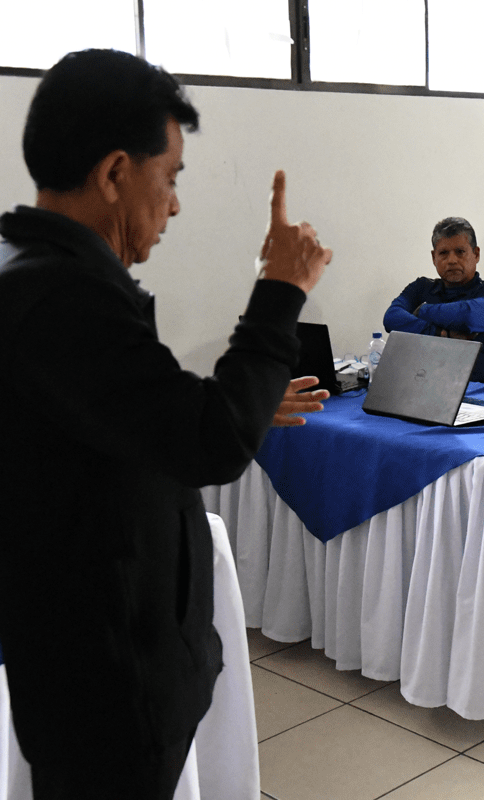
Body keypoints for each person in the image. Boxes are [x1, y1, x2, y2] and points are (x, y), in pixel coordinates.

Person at [0, 49, 332, 799]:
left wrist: (236, 403)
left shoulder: (46, 275)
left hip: (98, 657)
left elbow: (121, 422)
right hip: (103, 673)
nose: (175, 204)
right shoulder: (58, 296)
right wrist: (279, 291)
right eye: (171, 177)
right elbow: (205, 445)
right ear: (117, 173)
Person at [382, 216, 484, 383]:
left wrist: (421, 311)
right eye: (443, 253)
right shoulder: (421, 288)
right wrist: (440, 333)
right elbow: (391, 318)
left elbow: (468, 317)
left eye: (460, 252)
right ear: (434, 257)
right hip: (421, 389)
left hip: (476, 395)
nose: (452, 260)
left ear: (476, 254)